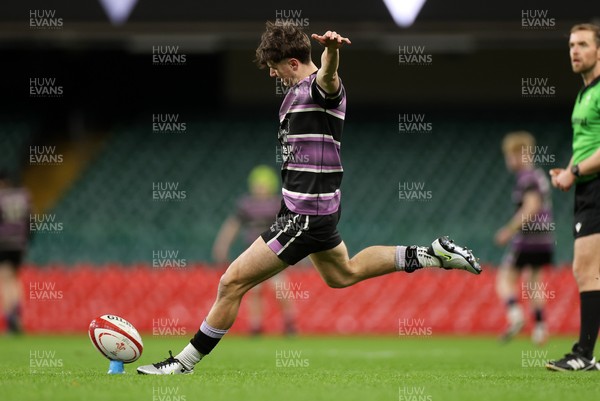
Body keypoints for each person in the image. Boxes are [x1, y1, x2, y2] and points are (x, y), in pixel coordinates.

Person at [137, 22, 481, 375]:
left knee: (231, 282)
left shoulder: (318, 88)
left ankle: (183, 364)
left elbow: (329, 78)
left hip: (305, 214)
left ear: (293, 61)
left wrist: (332, 52)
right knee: (343, 274)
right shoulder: (297, 91)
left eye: (274, 66)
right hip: (308, 209)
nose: (271, 73)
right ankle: (430, 253)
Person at [546, 23, 600, 371]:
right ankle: (585, 354)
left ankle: (583, 354)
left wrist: (575, 172)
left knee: (586, 268)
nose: (574, 51)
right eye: (570, 45)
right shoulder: (584, 94)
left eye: (582, 44)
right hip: (586, 186)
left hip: (596, 185)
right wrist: (568, 172)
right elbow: (586, 144)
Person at [212, 164, 296, 336]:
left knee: (280, 289)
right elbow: (232, 226)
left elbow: (291, 227)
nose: (260, 189)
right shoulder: (247, 205)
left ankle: (289, 322)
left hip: (275, 255)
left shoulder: (277, 205)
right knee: (253, 290)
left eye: (263, 185)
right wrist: (222, 245)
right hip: (252, 254)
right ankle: (255, 325)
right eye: (258, 185)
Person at [494, 131, 554, 345]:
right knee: (533, 282)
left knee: (505, 278)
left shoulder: (527, 177)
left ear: (520, 154)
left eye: (510, 155)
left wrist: (509, 230)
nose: (508, 160)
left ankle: (515, 315)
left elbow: (531, 207)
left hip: (528, 237)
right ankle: (540, 328)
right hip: (545, 238)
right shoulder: (538, 175)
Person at [0, 171, 31, 334]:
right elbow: (30, 220)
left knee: (4, 280)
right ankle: (17, 315)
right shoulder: (23, 196)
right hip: (19, 243)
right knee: (15, 279)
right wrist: (26, 241)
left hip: (3, 243)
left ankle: (10, 318)